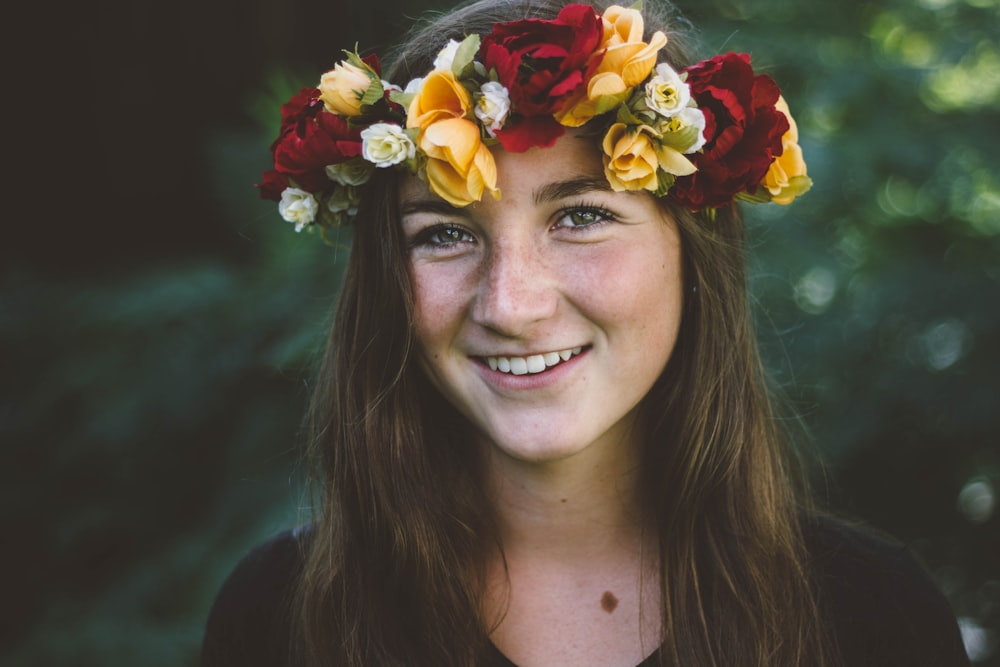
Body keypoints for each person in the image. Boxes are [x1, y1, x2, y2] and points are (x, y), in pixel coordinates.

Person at [200, 1, 971, 665]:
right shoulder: (279, 619)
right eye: (443, 234)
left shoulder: (875, 618)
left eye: (581, 217)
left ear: (695, 254)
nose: (511, 304)